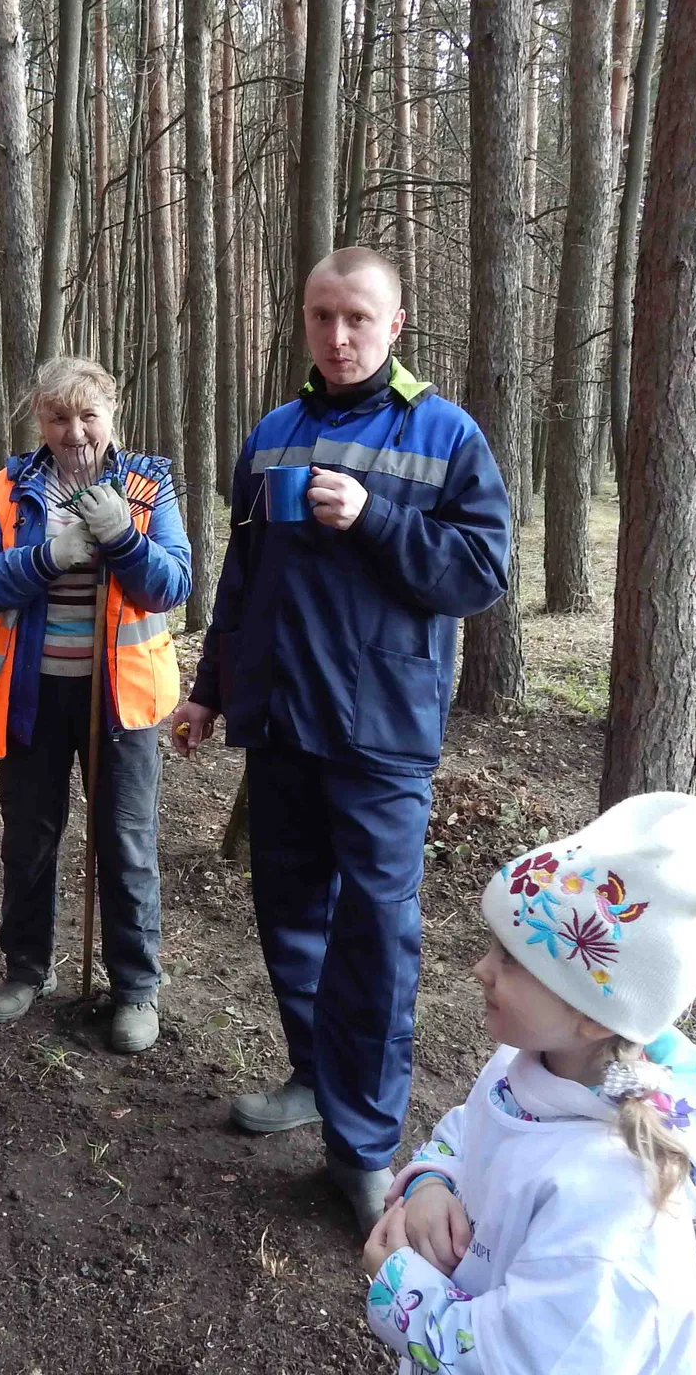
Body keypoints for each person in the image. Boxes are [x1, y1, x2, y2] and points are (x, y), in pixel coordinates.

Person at [172, 246, 514, 1228]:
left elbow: (478, 575)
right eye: (323, 315)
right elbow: (243, 581)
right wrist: (209, 691)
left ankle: (364, 1143)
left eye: (358, 317)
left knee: (374, 937)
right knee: (290, 918)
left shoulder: (444, 434)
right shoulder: (273, 433)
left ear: (395, 324)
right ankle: (314, 1078)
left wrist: (373, 518)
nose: (338, 334)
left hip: (381, 732)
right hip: (280, 720)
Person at [360, 793, 696, 1373]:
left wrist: (400, 1287)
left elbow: (523, 1360)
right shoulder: (533, 1063)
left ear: (592, 1012)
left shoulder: (610, 1201)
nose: (480, 968)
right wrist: (432, 1182)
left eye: (512, 959)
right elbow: (472, 1129)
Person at [0, 356, 192, 1055]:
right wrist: (47, 556)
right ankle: (26, 969)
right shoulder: (6, 490)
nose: (75, 431)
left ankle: (135, 988)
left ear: (111, 415)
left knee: (125, 843)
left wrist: (123, 535)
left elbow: (172, 583)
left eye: (88, 415)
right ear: (41, 420)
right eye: (59, 417)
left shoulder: (149, 484)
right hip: (32, 693)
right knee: (29, 838)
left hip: (120, 699)